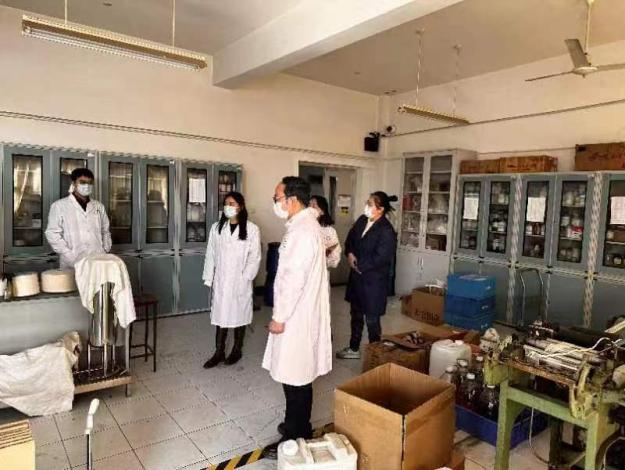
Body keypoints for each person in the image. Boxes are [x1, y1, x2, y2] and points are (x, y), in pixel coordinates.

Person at [262, 177, 331, 458]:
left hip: (296, 316)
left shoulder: (303, 231)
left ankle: (296, 434)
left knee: (296, 379)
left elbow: (293, 280)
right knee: (296, 375)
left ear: (292, 200)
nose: (275, 203)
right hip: (300, 313)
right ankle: (296, 425)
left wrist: (279, 317)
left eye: (277, 198)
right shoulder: (304, 226)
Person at [202, 192, 261, 367]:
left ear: (240, 207)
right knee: (221, 316)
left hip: (240, 281)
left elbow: (254, 257)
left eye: (232, 203)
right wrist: (209, 277)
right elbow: (211, 254)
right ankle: (219, 352)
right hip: (222, 280)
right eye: (226, 203)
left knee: (239, 315)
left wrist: (246, 278)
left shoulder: (252, 229)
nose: (228, 206)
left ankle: (237, 350)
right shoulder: (217, 228)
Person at [336, 191, 398, 360]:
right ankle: (354, 348)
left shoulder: (386, 230)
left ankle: (374, 354)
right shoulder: (362, 220)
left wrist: (359, 265)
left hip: (373, 283)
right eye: (367, 202)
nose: (366, 206)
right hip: (357, 280)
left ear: (380, 209)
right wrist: (350, 254)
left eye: (370, 204)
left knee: (372, 320)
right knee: (355, 316)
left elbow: (382, 257)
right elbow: (350, 240)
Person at [45, 168, 112, 269]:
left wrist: (105, 249)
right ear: (74, 183)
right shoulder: (59, 206)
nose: (87, 186)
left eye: (90, 183)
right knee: (73, 280)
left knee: (96, 279)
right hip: (72, 261)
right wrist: (68, 254)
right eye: (82, 182)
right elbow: (52, 233)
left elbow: (105, 230)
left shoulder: (98, 206)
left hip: (98, 259)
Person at [309, 195, 342, 270]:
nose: (310, 208)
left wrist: (322, 256)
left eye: (314, 205)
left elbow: (335, 258)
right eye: (309, 205)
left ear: (322, 211)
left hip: (321, 271)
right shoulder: (301, 228)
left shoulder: (330, 231)